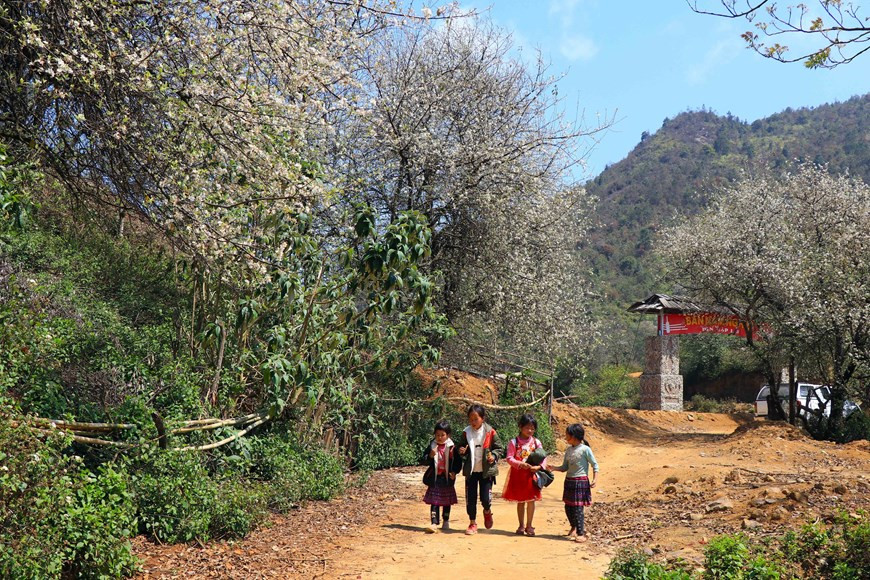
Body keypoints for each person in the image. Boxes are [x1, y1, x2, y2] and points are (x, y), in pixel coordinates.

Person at [456, 404, 503, 535]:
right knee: (470, 498)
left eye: (476, 419)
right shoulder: (466, 432)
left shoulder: (490, 432)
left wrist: (493, 456)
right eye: (470, 419)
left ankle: (487, 511)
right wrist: (462, 450)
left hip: (486, 471)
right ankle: (472, 523)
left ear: (482, 418)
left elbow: (499, 448)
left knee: (485, 498)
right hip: (471, 471)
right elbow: (461, 447)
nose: (473, 422)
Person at [550, 422, 599, 542]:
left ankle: (581, 533)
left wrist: (595, 479)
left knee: (578, 508)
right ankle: (573, 527)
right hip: (569, 481)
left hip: (580, 481)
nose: (565, 437)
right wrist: (553, 468)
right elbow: (564, 467)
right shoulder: (568, 451)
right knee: (568, 507)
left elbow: (595, 465)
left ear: (574, 436)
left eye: (567, 435)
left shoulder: (585, 449)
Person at [502, 413, 546, 536]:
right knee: (520, 501)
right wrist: (520, 464)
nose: (530, 430)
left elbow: (543, 457)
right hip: (518, 476)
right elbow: (509, 458)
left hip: (531, 476)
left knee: (531, 500)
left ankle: (529, 526)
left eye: (532, 428)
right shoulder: (513, 442)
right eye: (527, 427)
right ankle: (521, 525)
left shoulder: (536, 442)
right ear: (520, 427)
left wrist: (539, 467)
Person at [422, 420, 459, 532]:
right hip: (435, 478)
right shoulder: (432, 446)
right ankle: (434, 523)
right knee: (434, 501)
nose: (440, 437)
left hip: (446, 478)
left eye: (442, 435)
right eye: (437, 435)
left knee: (446, 501)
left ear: (448, 435)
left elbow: (458, 462)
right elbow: (424, 460)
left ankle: (446, 520)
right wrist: (430, 456)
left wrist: (454, 472)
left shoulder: (452, 447)